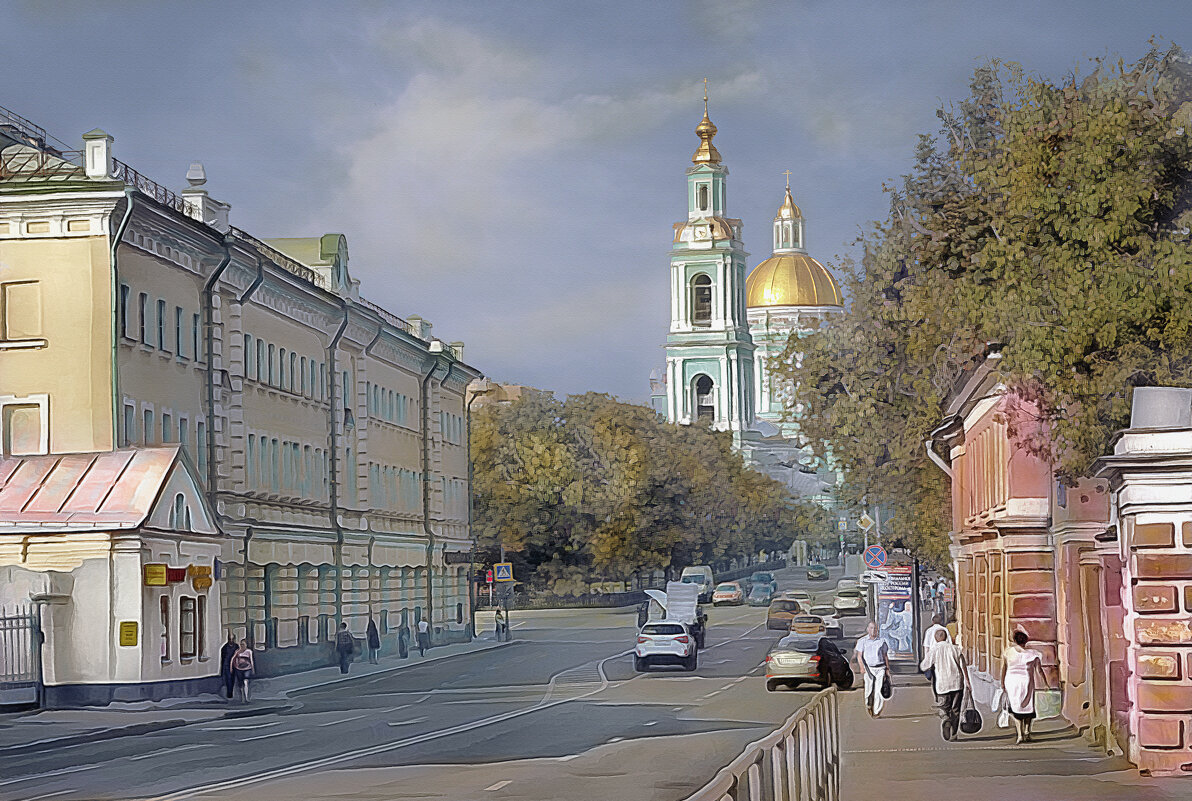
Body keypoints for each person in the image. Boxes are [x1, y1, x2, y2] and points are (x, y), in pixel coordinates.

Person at [920, 628, 970, 741]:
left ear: (935, 639)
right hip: (957, 683)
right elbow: (963, 666)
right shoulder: (955, 649)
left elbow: (924, 666)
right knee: (956, 709)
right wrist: (967, 682)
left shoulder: (934, 650)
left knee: (944, 706)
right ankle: (954, 734)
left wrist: (931, 666)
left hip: (942, 684)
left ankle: (945, 718)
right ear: (946, 637)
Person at [1001, 629, 1048, 744]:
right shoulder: (1033, 654)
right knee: (1028, 706)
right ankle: (1027, 731)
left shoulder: (1008, 652)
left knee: (1016, 707)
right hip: (1027, 681)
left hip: (1012, 682)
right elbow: (1039, 671)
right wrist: (1045, 683)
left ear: (1014, 640)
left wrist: (1002, 682)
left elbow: (1004, 668)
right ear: (1026, 641)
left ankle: (1020, 734)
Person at [855, 621, 891, 717]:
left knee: (879, 690)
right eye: (871, 628)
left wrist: (887, 669)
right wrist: (862, 667)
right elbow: (859, 656)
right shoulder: (862, 641)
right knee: (869, 689)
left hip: (880, 668)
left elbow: (885, 655)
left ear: (878, 630)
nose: (873, 630)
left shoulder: (882, 641)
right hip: (868, 668)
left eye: (875, 628)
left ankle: (876, 711)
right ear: (867, 629)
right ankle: (868, 704)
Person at [219, 631, 238, 700]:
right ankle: (229, 694)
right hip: (227, 665)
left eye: (232, 639)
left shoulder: (236, 646)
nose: (231, 640)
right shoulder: (224, 648)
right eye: (230, 639)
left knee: (233, 679)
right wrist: (222, 669)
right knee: (228, 679)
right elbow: (222, 659)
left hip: (234, 665)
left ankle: (231, 692)